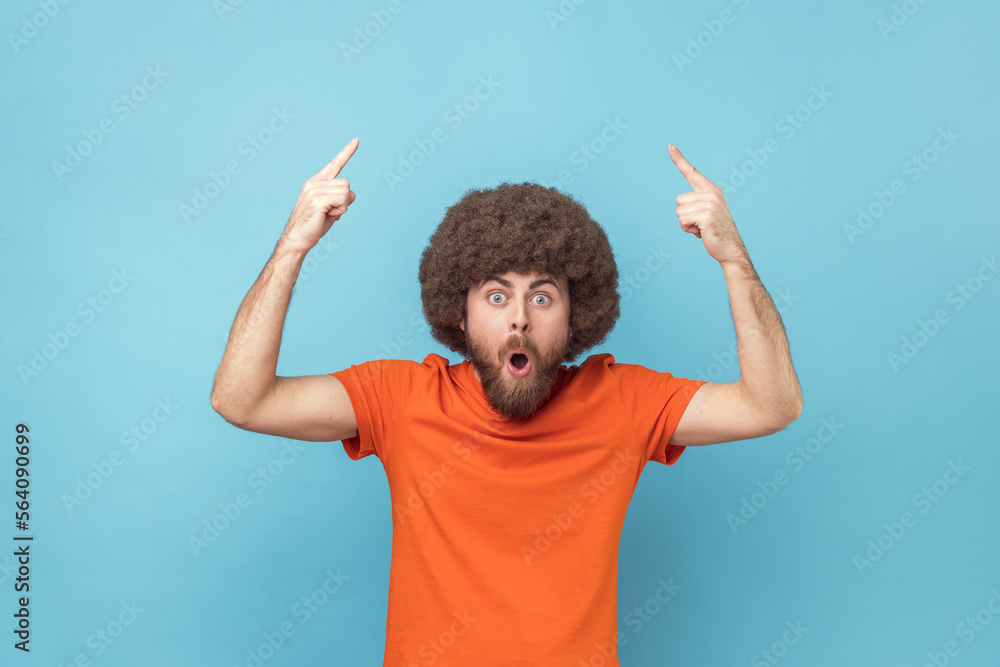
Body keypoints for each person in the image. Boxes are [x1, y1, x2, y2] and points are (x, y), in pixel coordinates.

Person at [210, 137, 803, 666]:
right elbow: (242, 400)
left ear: (577, 317)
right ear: (460, 312)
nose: (518, 319)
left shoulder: (623, 402)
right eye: (497, 297)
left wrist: (734, 261)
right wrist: (292, 247)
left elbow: (771, 406)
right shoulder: (400, 399)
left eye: (542, 299)